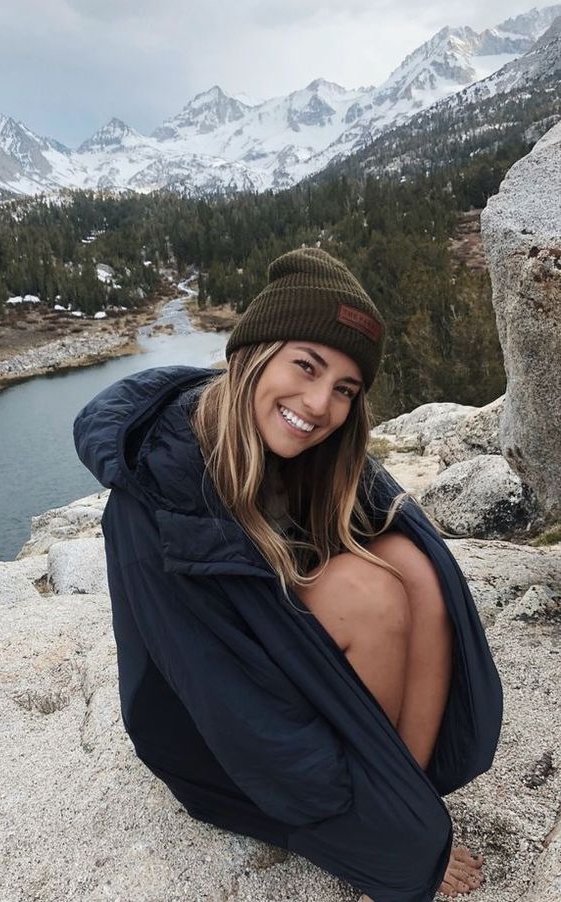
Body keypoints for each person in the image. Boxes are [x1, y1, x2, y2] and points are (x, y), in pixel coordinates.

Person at [73, 248, 503, 902]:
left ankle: (401, 792)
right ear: (255, 353)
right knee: (368, 595)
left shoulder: (304, 446)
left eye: (343, 390)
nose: (317, 403)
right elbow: (228, 704)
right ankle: (383, 826)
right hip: (205, 738)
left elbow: (411, 551)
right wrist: (385, 852)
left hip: (267, 673)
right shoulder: (158, 498)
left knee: (411, 567)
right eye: (306, 365)